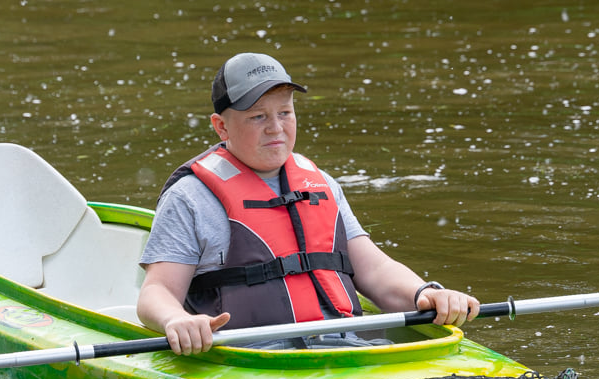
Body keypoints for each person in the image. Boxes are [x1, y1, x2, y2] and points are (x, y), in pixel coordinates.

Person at [137, 52, 479, 355]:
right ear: (221, 127)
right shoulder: (188, 198)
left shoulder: (321, 184)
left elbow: (374, 270)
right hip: (248, 358)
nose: (276, 129)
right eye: (258, 117)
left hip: (347, 349)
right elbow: (156, 292)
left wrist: (426, 292)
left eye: (285, 112)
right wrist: (177, 319)